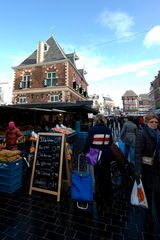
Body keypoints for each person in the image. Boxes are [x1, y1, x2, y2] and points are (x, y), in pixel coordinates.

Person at [134, 113, 160, 229]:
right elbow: (137, 154)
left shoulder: (159, 134)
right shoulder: (142, 134)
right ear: (147, 122)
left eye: (156, 122)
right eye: (152, 122)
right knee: (148, 195)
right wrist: (138, 171)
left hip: (157, 169)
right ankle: (149, 217)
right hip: (147, 169)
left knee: (158, 195)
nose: (154, 124)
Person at [83, 114, 113, 202]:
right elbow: (110, 142)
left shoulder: (92, 129)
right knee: (106, 173)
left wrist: (84, 152)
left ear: (96, 121)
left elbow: (88, 143)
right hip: (106, 153)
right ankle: (107, 193)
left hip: (94, 153)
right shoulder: (108, 129)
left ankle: (98, 193)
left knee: (95, 174)